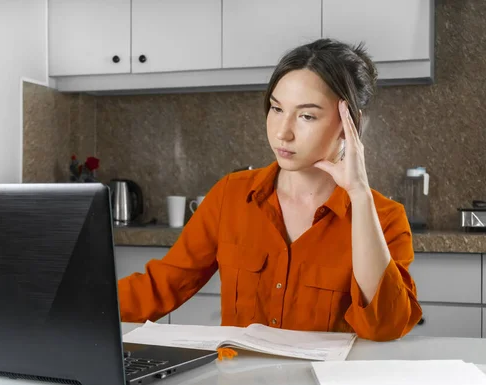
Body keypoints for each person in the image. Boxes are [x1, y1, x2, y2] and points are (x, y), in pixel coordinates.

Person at [117, 38, 422, 341]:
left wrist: (358, 193)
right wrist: (77, 304)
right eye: (277, 109)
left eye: (306, 116)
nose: (282, 132)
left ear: (349, 124)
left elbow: (386, 327)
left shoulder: (383, 218)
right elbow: (159, 287)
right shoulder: (230, 196)